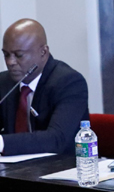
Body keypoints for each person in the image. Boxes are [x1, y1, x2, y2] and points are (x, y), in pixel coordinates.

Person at [0, 18, 89, 155]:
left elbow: (57, 139)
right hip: (12, 165)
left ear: (43, 52)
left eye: (19, 55)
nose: (10, 62)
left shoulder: (69, 82)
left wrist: (2, 142)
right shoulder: (4, 81)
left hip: (59, 165)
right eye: (6, 55)